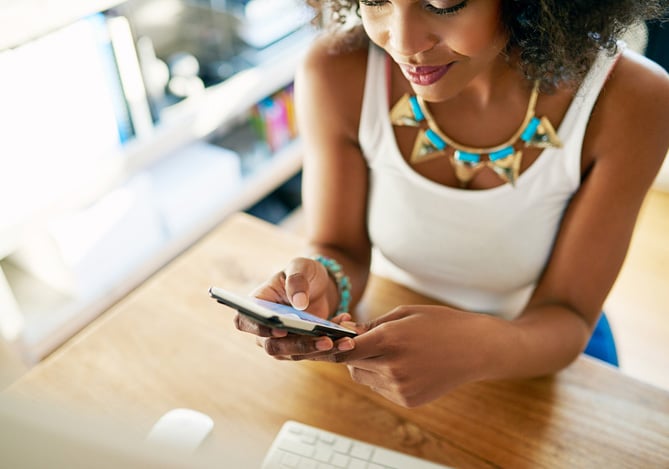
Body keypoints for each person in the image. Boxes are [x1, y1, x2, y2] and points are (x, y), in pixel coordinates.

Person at [235, 0, 669, 407]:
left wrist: (478, 349)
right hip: (395, 340)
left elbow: (569, 317)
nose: (403, 42)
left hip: (538, 352)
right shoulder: (336, 71)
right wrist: (317, 291)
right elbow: (341, 248)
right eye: (375, 0)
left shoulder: (631, 101)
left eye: (445, 4)